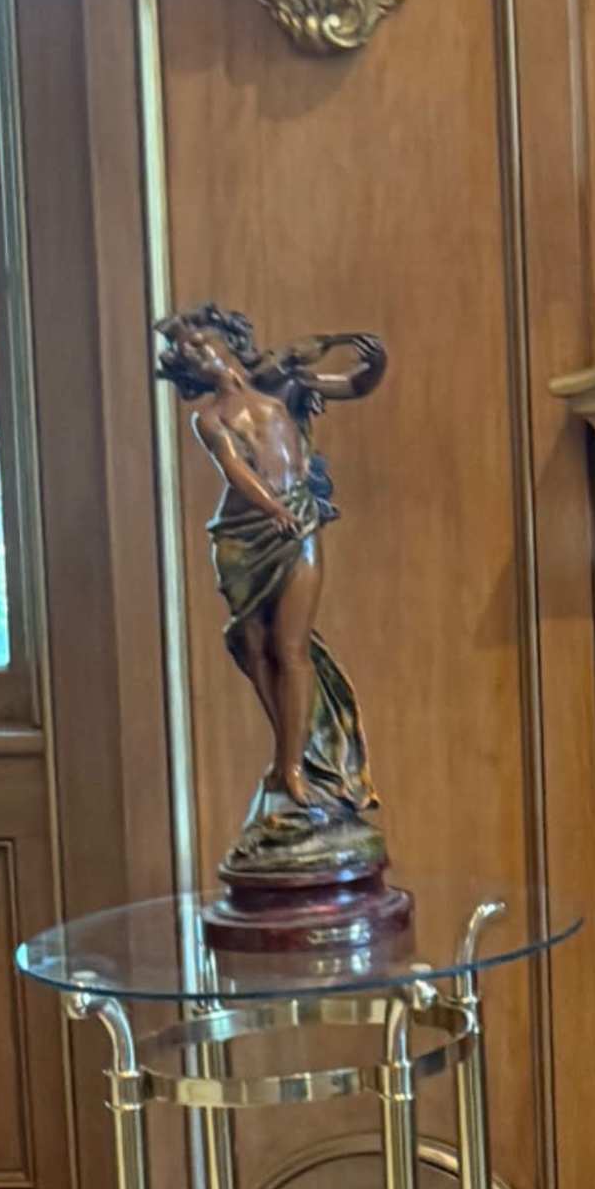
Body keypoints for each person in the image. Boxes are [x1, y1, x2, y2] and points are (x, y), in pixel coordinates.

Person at [152, 305, 388, 851]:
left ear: (229, 342)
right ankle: (290, 760)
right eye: (187, 351)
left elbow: (355, 383)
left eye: (202, 341)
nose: (197, 353)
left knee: (293, 645)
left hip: (298, 521)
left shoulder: (285, 385)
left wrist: (378, 364)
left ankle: (294, 767)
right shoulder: (207, 417)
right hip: (243, 534)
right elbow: (234, 468)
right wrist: (269, 506)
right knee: (256, 646)